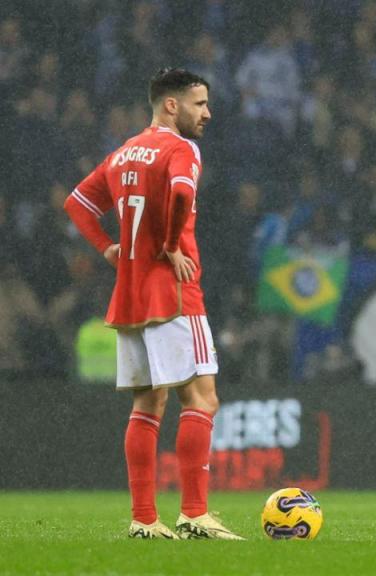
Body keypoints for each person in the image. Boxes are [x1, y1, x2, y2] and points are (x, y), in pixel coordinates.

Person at [63, 68, 243, 540]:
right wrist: (170, 244)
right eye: (199, 103)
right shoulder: (181, 149)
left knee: (148, 404)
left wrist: (106, 246)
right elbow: (183, 192)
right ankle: (195, 515)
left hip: (130, 293)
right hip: (175, 291)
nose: (207, 113)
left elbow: (77, 203)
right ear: (171, 105)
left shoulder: (123, 152)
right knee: (201, 398)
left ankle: (144, 520)